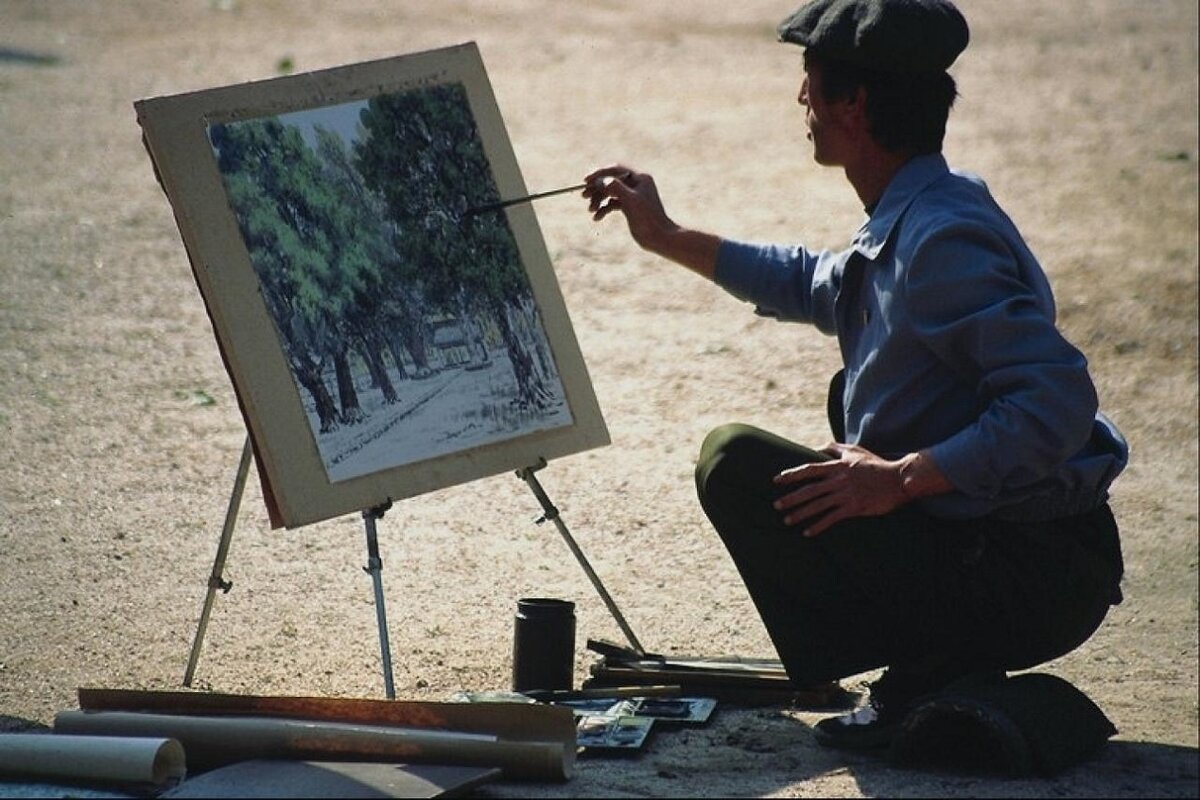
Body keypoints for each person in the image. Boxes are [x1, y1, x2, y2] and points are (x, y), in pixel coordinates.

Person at [583, 0, 1128, 750]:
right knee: (851, 398)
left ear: (853, 103)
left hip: (1030, 574)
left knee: (735, 462)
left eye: (811, 81)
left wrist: (900, 480)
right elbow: (814, 281)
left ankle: (930, 668)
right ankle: (928, 668)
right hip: (1006, 554)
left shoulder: (941, 239)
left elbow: (1056, 401)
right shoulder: (925, 205)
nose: (802, 99)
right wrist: (668, 236)